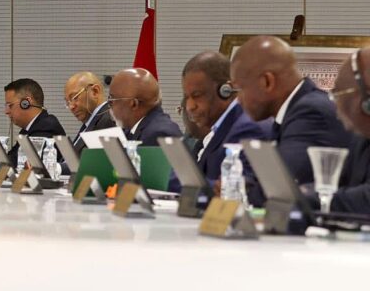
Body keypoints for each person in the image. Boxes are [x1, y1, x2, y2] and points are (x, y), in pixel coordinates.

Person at [230, 35, 352, 188]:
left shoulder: (310, 113)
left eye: (241, 88)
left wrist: (239, 189)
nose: (238, 100)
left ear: (267, 82)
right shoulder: (295, 111)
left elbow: (281, 189)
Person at [180, 51, 266, 182]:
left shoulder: (247, 128)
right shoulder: (216, 129)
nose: (190, 106)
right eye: (187, 97)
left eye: (197, 95)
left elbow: (239, 187)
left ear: (226, 90)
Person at [328, 48, 370, 213]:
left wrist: (314, 198)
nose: (335, 103)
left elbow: (366, 200)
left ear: (366, 102)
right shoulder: (360, 140)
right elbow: (337, 184)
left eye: (338, 93)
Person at [107, 67, 182, 146]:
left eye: (111, 100)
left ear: (133, 104)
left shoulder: (159, 135)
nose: (109, 106)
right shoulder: (133, 129)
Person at [2, 78, 65, 167]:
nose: (6, 111)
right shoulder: (28, 129)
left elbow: (19, 161)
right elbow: (11, 157)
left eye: (10, 105)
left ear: (26, 103)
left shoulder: (46, 126)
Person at [63, 71, 115, 153]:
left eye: (74, 98)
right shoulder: (89, 123)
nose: (71, 107)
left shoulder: (108, 121)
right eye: (68, 102)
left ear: (95, 91)